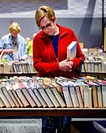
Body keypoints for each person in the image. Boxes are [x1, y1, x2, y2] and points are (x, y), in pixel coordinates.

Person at [33, 5, 85, 133]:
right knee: (48, 127)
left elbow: (81, 57)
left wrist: (73, 64)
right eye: (42, 27)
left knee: (65, 126)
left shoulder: (69, 33)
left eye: (48, 25)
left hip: (68, 86)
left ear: (54, 20)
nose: (45, 30)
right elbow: (37, 64)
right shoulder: (38, 39)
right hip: (47, 88)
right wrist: (58, 66)